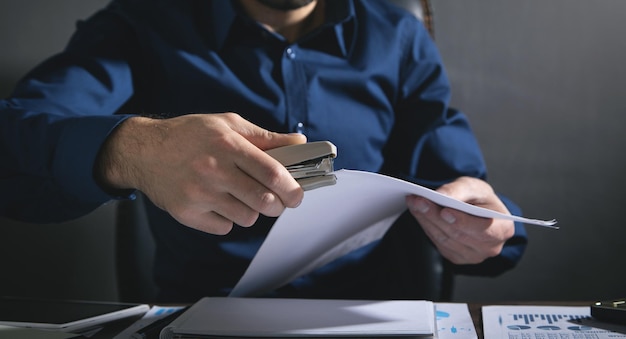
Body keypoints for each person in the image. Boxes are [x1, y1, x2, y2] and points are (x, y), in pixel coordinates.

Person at [0, 0, 527, 302]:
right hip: (202, 315)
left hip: (367, 317)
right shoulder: (144, 22)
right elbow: (14, 142)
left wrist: (487, 227)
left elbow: (469, 195)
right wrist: (132, 149)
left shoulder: (399, 38)